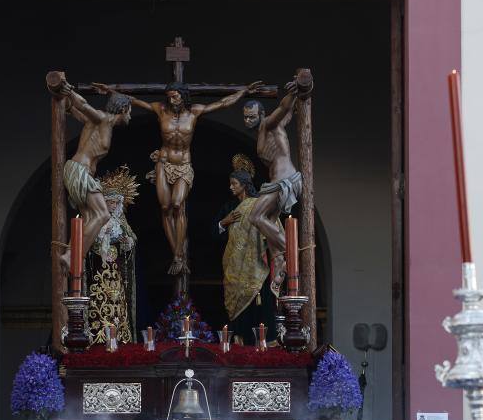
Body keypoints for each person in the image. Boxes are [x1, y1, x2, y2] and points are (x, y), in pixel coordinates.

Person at [94, 80, 263, 275]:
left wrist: (243, 91)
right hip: (163, 164)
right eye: (169, 96)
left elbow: (223, 103)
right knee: (165, 209)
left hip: (183, 165)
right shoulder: (161, 110)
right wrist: (111, 91)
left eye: (175, 96)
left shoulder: (194, 112)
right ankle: (177, 255)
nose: (172, 100)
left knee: (177, 204)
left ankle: (178, 255)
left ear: (184, 95)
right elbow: (133, 100)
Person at [55, 80, 133, 275]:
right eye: (129, 111)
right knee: (102, 214)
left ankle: (70, 256)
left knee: (89, 217)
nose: (131, 116)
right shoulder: (102, 119)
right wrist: (69, 90)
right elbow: (83, 106)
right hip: (80, 171)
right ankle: (73, 256)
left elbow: (77, 111)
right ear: (123, 109)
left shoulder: (101, 125)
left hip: (83, 172)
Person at [243, 75, 304, 294]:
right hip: (278, 181)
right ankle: (279, 262)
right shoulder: (265, 131)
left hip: (284, 181)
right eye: (244, 117)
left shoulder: (269, 124)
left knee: (255, 216)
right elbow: (289, 112)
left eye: (251, 117)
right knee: (268, 220)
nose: (247, 121)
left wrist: (293, 92)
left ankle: (291, 252)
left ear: (260, 115)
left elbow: (283, 108)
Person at [218, 158, 277, 344]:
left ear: (244, 185)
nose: (230, 187)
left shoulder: (259, 205)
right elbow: (213, 233)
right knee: (236, 306)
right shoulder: (229, 207)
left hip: (255, 266)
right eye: (230, 183)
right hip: (234, 266)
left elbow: (273, 229)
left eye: (234, 184)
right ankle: (238, 341)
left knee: (259, 305)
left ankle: (260, 344)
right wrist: (223, 223)